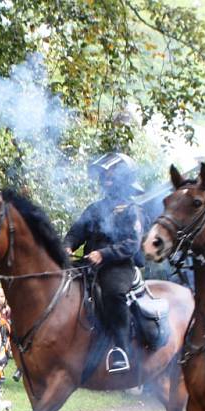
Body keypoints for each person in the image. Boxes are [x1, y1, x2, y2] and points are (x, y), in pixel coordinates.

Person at [63, 152, 145, 374]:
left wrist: (104, 254)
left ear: (123, 179)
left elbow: (132, 244)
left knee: (113, 292)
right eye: (105, 175)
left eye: (111, 175)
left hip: (118, 266)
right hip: (90, 265)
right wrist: (67, 245)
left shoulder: (132, 210)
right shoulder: (95, 208)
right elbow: (76, 231)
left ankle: (122, 349)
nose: (106, 179)